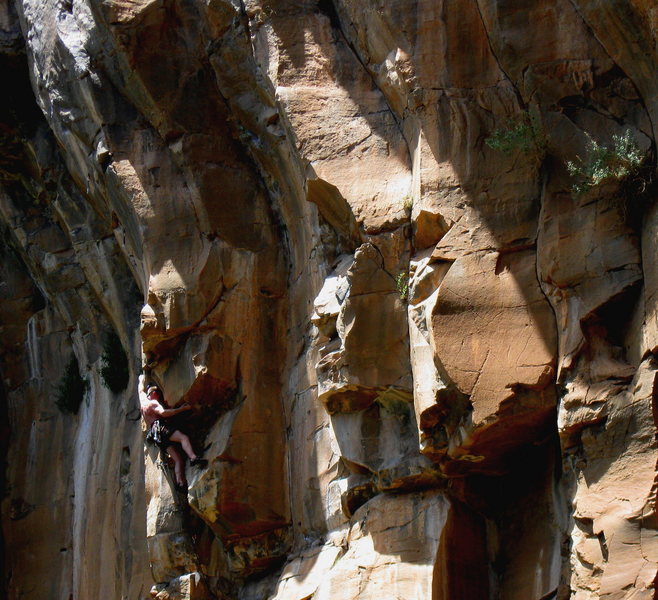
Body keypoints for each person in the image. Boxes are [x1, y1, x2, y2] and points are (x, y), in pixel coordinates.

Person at [140, 384, 207, 489]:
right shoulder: (153, 403)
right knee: (183, 438)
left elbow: (140, 391)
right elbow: (163, 413)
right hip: (161, 428)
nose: (159, 397)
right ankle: (193, 458)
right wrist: (181, 409)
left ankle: (180, 483)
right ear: (153, 393)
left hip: (156, 435)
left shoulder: (143, 405)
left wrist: (141, 381)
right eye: (158, 394)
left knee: (178, 459)